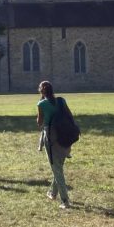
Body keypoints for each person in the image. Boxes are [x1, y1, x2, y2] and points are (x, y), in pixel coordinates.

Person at [37, 80, 71, 209]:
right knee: (59, 166)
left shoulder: (41, 104)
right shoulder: (61, 101)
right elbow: (69, 115)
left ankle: (65, 200)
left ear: (41, 90)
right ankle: (52, 192)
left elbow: (40, 122)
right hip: (66, 134)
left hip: (51, 136)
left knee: (56, 169)